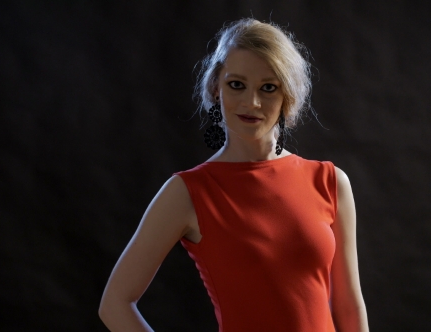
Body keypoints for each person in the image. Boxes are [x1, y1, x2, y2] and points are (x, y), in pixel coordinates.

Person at [99, 18, 369, 331]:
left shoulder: (329, 181)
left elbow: (349, 306)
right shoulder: (189, 191)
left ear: (288, 94)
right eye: (236, 85)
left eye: (268, 87)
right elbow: (115, 303)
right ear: (216, 88)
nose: (251, 102)